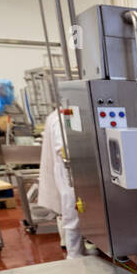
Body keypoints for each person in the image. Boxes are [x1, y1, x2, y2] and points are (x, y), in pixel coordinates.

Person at [34, 108, 83, 257]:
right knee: (72, 211)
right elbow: (64, 149)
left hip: (73, 169)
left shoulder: (61, 114)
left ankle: (79, 250)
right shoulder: (63, 116)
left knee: (75, 211)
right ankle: (74, 254)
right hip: (70, 171)